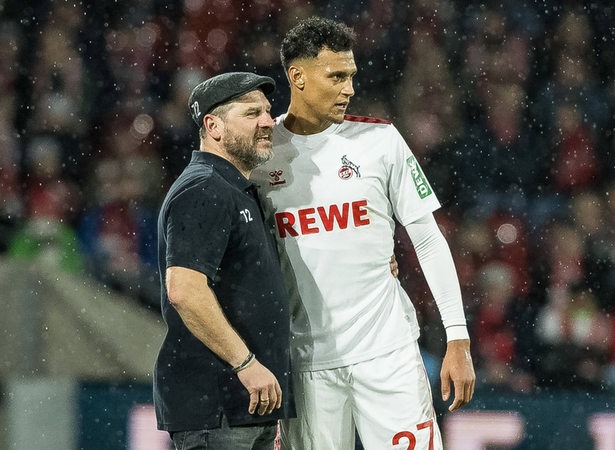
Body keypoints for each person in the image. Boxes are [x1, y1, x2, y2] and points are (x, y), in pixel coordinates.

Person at [252, 16, 475, 450]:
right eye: (335, 76)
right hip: (306, 365)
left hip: (388, 354)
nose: (348, 88)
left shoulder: (381, 141)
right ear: (297, 77)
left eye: (351, 76)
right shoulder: (261, 156)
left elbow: (427, 239)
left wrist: (458, 335)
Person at [153, 71, 293, 449]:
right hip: (220, 403)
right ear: (213, 126)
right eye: (251, 114)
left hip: (246, 403)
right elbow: (184, 289)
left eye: (267, 111)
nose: (268, 121)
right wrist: (246, 365)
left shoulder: (236, 188)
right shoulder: (205, 187)